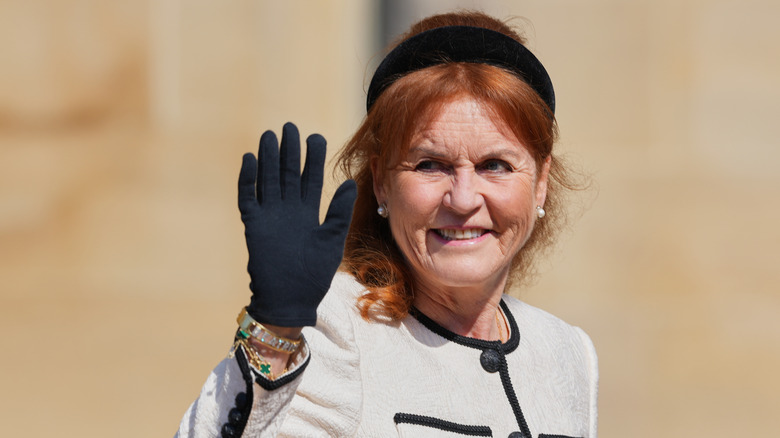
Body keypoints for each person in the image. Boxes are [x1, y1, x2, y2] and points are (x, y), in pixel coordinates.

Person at [176, 10, 598, 438]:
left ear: (540, 183)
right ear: (381, 183)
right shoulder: (336, 328)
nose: (463, 199)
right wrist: (273, 332)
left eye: (495, 165)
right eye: (430, 164)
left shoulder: (568, 352)